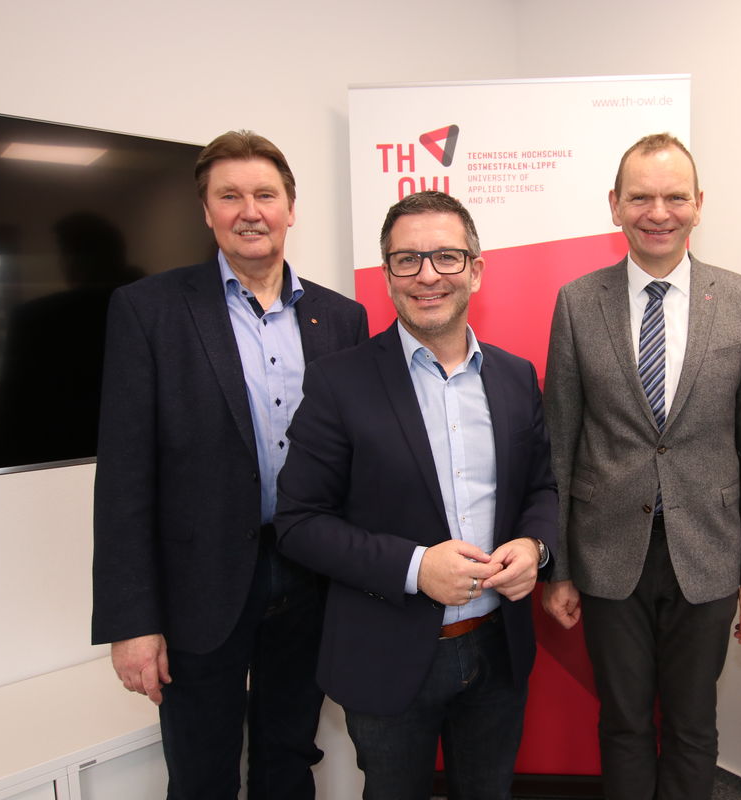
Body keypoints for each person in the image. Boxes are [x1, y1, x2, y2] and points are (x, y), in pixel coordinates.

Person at [91, 130, 369, 799]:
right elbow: (124, 477)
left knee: (288, 759)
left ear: (290, 207)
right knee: (201, 772)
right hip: (201, 584)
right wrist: (131, 622)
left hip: (310, 574)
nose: (250, 211)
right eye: (230, 196)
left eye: (265, 195)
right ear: (206, 210)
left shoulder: (341, 319)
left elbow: (360, 463)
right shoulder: (149, 311)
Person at [273, 190, 558, 799]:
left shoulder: (515, 376)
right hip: (386, 654)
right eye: (408, 260)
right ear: (388, 276)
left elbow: (543, 487)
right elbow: (299, 522)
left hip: (498, 648)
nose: (428, 275)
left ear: (476, 270)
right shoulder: (338, 382)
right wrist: (415, 567)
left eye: (447, 257)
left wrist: (536, 547)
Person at [541, 133, 741, 800]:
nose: (658, 213)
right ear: (614, 205)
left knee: (692, 725)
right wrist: (559, 568)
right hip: (606, 553)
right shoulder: (577, 302)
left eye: (675, 197)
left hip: (708, 551)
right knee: (622, 722)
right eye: (641, 197)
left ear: (699, 204)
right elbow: (559, 442)